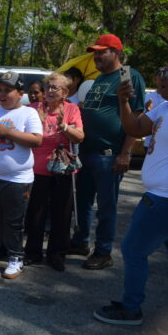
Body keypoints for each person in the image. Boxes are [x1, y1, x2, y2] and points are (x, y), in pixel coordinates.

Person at [93, 58, 168, 326]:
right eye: (159, 70)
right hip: (165, 198)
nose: (160, 77)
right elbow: (135, 128)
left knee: (133, 249)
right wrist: (123, 101)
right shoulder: (167, 106)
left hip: (167, 199)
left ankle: (131, 309)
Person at [69, 34, 146, 270]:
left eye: (102, 52)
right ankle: (80, 242)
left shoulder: (127, 75)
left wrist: (125, 153)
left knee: (106, 206)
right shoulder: (100, 78)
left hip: (108, 154)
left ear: (116, 53)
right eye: (95, 52)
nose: (97, 56)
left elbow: (136, 116)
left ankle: (103, 252)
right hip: (86, 152)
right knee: (81, 202)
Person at [0, 72, 43, 279]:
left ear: (20, 93)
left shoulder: (28, 113)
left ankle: (15, 258)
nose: (1, 94)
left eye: (7, 91)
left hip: (17, 180)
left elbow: (36, 140)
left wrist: (6, 131)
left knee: (14, 221)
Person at [24, 73, 84, 271]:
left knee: (62, 214)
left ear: (65, 93)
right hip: (37, 168)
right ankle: (32, 252)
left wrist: (64, 127)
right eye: (48, 86)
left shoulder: (71, 109)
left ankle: (57, 254)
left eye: (54, 88)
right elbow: (23, 134)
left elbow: (79, 137)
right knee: (35, 213)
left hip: (62, 169)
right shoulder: (33, 109)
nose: (49, 90)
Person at [142, 67, 168, 152]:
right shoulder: (147, 97)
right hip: (150, 144)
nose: (163, 82)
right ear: (155, 79)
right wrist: (147, 111)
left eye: (166, 79)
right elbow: (140, 122)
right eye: (161, 79)